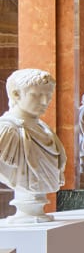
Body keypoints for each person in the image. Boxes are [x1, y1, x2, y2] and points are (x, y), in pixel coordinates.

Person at [0, 69, 66, 224]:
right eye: (36, 95)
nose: (45, 101)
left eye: (49, 95)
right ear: (16, 94)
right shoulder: (8, 131)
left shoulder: (46, 130)